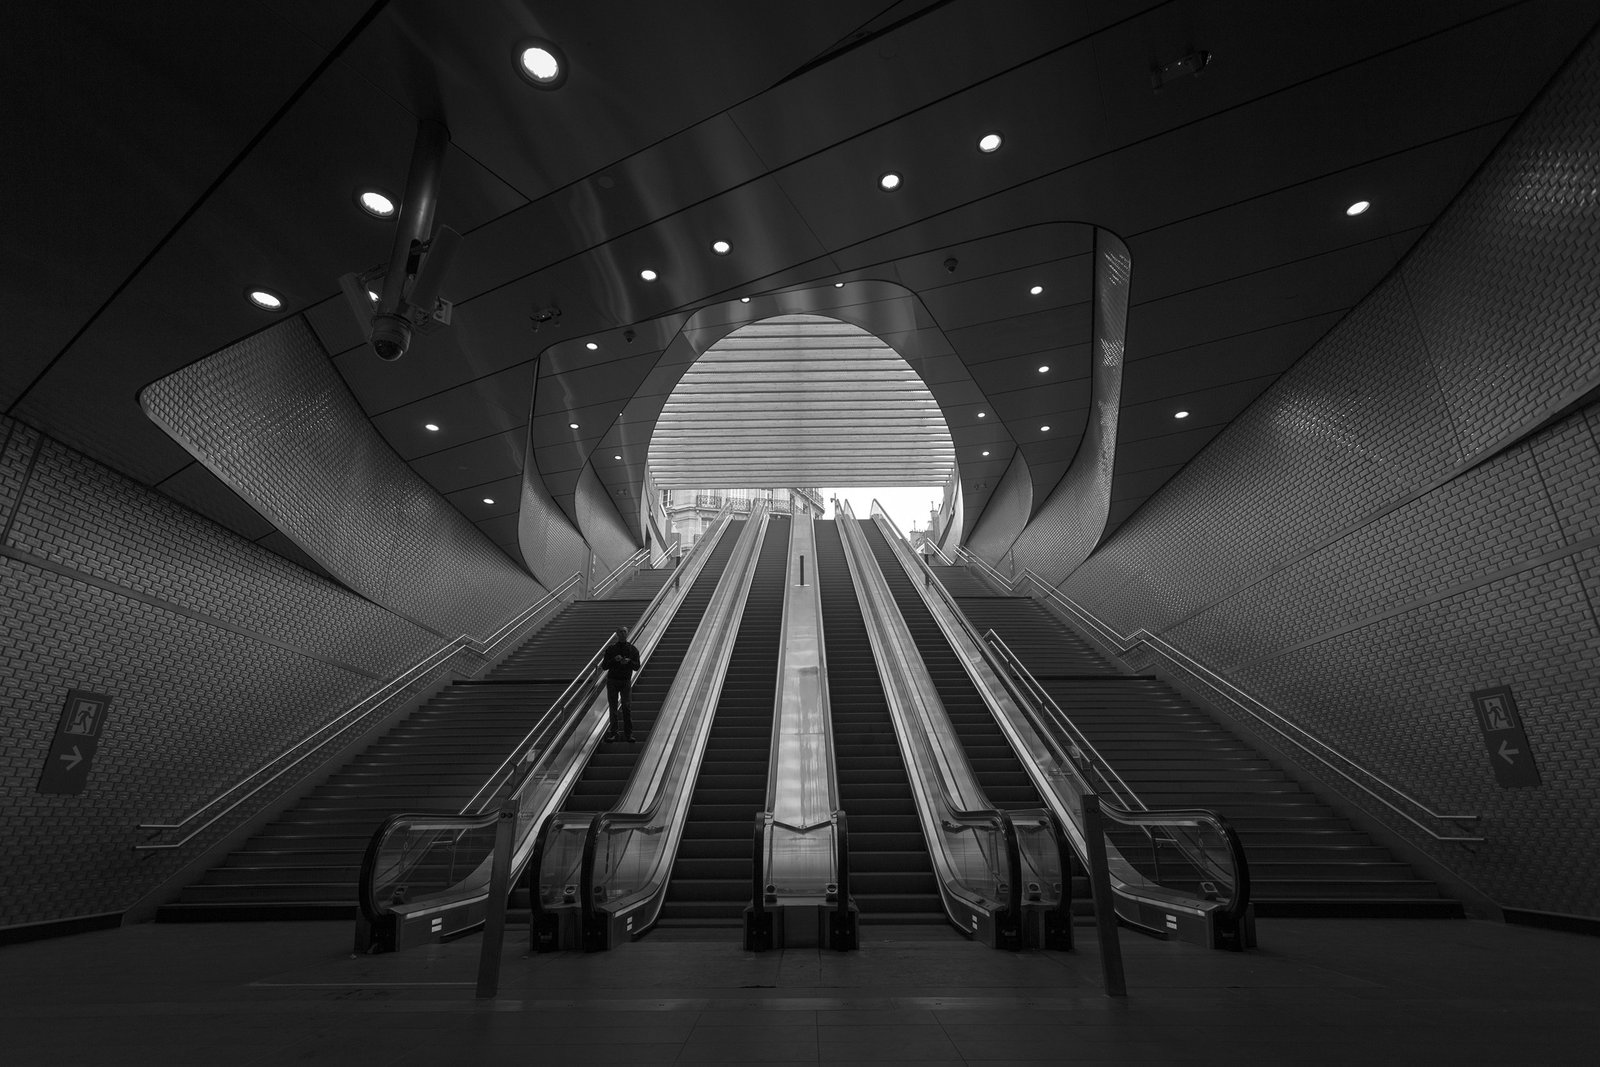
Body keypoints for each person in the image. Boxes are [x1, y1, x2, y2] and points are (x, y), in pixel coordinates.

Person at [601, 625, 641, 742]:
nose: (623, 634)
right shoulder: (611, 649)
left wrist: (628, 662)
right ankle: (614, 733)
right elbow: (604, 666)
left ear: (627, 633)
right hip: (613, 680)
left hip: (625, 681)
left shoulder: (633, 650)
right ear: (617, 634)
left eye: (624, 631)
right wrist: (614, 660)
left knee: (626, 707)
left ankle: (628, 734)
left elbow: (637, 666)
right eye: (620, 632)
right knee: (613, 707)